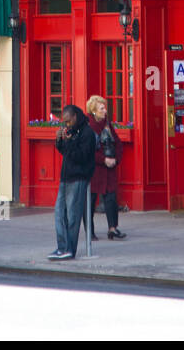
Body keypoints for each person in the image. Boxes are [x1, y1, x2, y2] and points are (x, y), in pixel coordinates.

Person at [49, 103, 97, 260]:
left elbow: (81, 157)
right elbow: (65, 152)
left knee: (72, 216)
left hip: (78, 177)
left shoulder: (87, 133)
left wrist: (69, 142)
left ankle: (70, 249)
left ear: (75, 116)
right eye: (65, 122)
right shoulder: (71, 130)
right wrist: (60, 141)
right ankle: (61, 247)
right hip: (65, 177)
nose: (66, 124)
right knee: (59, 213)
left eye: (68, 121)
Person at [86, 95, 126, 239]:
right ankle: (90, 232)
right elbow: (88, 151)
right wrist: (104, 160)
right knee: (90, 201)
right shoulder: (88, 126)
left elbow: (118, 143)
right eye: (101, 108)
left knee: (111, 198)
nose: (105, 111)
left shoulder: (107, 124)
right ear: (94, 110)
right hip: (94, 170)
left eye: (105, 108)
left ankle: (112, 228)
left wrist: (116, 159)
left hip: (109, 169)